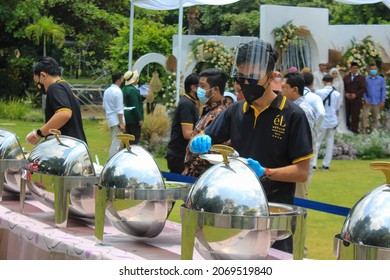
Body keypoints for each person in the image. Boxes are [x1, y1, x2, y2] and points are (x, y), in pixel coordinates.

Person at [189, 39, 313, 254]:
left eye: (252, 78)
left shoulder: (293, 115)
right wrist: (198, 142)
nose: (245, 83)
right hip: (237, 209)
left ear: (272, 77)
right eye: (241, 77)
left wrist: (265, 172)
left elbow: (302, 172)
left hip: (274, 214)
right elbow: (200, 139)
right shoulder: (236, 111)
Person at [26, 57, 87, 145]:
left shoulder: (55, 88)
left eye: (37, 82)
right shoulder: (64, 87)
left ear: (43, 75)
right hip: (74, 147)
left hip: (66, 148)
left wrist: (38, 134)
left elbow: (64, 113)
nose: (38, 86)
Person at [182, 68, 229, 177]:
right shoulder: (208, 111)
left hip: (203, 175)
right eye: (199, 86)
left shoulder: (221, 114)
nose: (199, 90)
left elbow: (216, 150)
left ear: (215, 90)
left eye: (203, 86)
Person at [281, 72, 316, 200]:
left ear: (295, 90)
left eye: (284, 87)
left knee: (297, 205)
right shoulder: (291, 108)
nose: (281, 91)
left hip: (299, 166)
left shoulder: (303, 111)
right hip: (289, 166)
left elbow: (306, 142)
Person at [166, 73, 200, 174]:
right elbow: (187, 134)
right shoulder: (186, 104)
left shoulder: (190, 102)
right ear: (193, 88)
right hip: (179, 156)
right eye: (201, 87)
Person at [313, 74, 341, 170]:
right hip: (332, 120)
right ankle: (326, 164)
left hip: (322, 120)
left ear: (323, 82)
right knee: (330, 143)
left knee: (317, 142)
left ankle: (313, 163)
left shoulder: (318, 92)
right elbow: (337, 108)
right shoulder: (337, 94)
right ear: (332, 82)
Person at [102, 73, 126, 158]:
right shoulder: (118, 92)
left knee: (114, 141)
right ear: (118, 80)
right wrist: (121, 123)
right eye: (122, 79)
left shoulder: (107, 91)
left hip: (110, 119)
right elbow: (119, 109)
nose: (123, 81)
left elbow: (104, 106)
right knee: (116, 144)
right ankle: (111, 163)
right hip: (117, 120)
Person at [362, 63, 387, 132]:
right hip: (368, 102)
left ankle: (373, 131)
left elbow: (383, 90)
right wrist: (365, 99)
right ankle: (364, 130)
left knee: (375, 117)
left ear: (377, 70)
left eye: (375, 69)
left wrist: (382, 101)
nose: (373, 71)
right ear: (369, 70)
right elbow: (363, 90)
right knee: (364, 116)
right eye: (372, 69)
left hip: (377, 102)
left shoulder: (381, 79)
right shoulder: (366, 79)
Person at [343, 62, 366, 134]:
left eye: (356, 68)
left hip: (356, 100)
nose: (355, 69)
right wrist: (345, 93)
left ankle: (354, 130)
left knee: (355, 115)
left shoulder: (362, 78)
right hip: (347, 100)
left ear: (358, 69)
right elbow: (343, 87)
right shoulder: (346, 77)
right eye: (353, 68)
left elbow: (363, 88)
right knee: (346, 115)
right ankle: (347, 129)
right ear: (350, 69)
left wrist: (356, 95)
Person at [123, 70, 144, 144]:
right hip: (133, 118)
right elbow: (135, 106)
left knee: (127, 138)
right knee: (135, 137)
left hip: (127, 116)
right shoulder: (132, 90)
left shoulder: (125, 89)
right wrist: (140, 118)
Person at [329, 67, 349, 134]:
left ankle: (339, 126)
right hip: (330, 100)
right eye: (333, 73)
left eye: (336, 73)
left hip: (338, 100)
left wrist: (340, 101)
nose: (334, 75)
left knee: (338, 114)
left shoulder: (340, 81)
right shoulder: (329, 82)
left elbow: (341, 92)